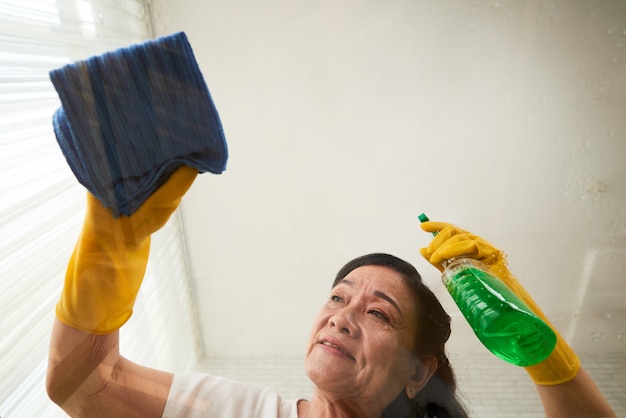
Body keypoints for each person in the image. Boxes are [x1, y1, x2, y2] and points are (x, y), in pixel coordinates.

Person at [46, 166, 616, 417]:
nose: (341, 318)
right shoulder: (232, 411)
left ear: (419, 373)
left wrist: (539, 348)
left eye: (380, 314)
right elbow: (86, 383)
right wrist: (115, 234)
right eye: (339, 299)